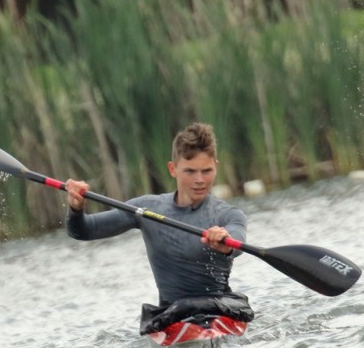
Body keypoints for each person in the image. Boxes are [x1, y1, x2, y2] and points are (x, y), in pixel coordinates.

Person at [65, 122, 253, 333]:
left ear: (216, 167)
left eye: (206, 171)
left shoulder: (228, 214)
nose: (200, 180)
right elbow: (83, 231)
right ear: (173, 169)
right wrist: (76, 208)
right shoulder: (146, 209)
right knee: (180, 309)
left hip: (221, 309)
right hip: (172, 315)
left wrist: (226, 243)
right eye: (190, 171)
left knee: (198, 307)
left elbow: (238, 242)